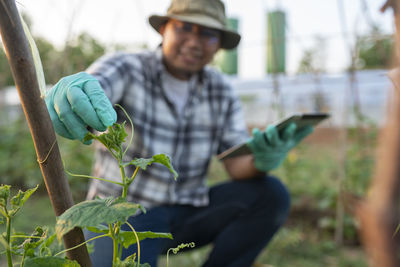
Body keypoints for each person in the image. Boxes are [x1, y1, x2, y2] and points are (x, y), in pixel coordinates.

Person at [45, 0, 313, 266]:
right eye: (185, 27)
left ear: (218, 44)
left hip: (188, 214)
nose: (195, 42)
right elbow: (98, 86)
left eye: (208, 34)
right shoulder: (128, 67)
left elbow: (235, 163)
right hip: (121, 214)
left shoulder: (221, 89)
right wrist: (77, 93)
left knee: (270, 194)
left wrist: (260, 160)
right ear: (164, 30)